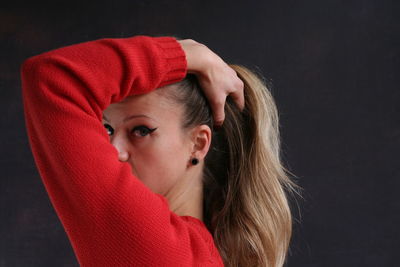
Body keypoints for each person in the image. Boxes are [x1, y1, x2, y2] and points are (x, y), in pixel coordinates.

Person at [21, 35, 298, 266]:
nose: (115, 150)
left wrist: (188, 55)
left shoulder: (155, 248)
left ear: (199, 143)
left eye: (141, 130)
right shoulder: (199, 250)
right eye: (107, 130)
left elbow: (52, 77)